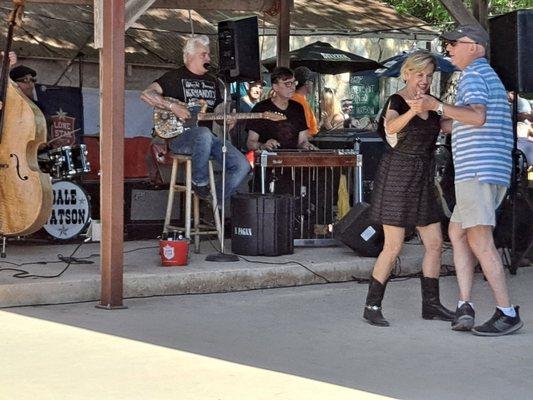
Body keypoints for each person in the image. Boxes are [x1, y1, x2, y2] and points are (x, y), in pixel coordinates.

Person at [413, 25, 523, 336]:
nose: (448, 50)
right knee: (457, 233)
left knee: (478, 240)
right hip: (485, 170)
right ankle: (465, 305)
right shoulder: (487, 77)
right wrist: (436, 115)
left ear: (473, 46)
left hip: (478, 171)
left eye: (453, 44)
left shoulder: (474, 74)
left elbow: (477, 117)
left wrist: (435, 106)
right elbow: (459, 123)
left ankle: (506, 312)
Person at [363, 50, 455, 327]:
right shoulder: (396, 100)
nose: (424, 80)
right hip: (397, 174)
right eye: (419, 74)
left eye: (429, 75)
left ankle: (431, 305)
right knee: (393, 245)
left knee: (436, 244)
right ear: (406, 74)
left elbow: (447, 125)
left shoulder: (433, 101)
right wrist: (414, 110)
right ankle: (372, 305)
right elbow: (389, 127)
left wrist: (457, 112)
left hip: (423, 176)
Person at [140, 35, 250, 202]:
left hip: (208, 139)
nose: (208, 58)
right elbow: (147, 94)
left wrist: (228, 119)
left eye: (208, 55)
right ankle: (200, 181)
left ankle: (214, 201)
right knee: (203, 133)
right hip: (180, 138)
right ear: (190, 56)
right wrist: (173, 107)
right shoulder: (174, 77)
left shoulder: (213, 81)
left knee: (242, 165)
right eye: (203, 54)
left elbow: (218, 113)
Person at [246, 67, 316, 151]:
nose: (293, 87)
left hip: (293, 159)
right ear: (275, 87)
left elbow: (302, 141)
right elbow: (250, 143)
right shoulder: (260, 108)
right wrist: (263, 146)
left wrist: (306, 145)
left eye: (294, 83)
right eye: (288, 84)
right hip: (269, 159)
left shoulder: (298, 108)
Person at [291, 66, 318, 136]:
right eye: (312, 82)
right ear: (306, 83)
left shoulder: (292, 98)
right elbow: (304, 132)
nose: (313, 84)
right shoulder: (301, 102)